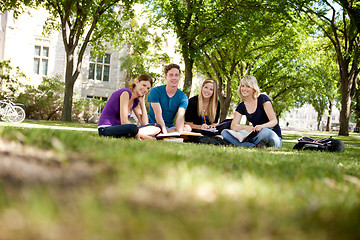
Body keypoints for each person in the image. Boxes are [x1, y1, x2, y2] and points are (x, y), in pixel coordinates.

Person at [221, 75, 282, 148]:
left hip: (272, 135)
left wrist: (262, 126)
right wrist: (245, 128)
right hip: (256, 136)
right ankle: (254, 145)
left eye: (248, 86)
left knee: (265, 132)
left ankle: (250, 144)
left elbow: (274, 121)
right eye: (242, 86)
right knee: (224, 132)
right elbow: (233, 126)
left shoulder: (263, 99)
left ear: (254, 89)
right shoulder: (242, 106)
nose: (244, 89)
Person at [98, 73, 161, 140]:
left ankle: (133, 134)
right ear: (137, 82)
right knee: (132, 128)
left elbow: (144, 123)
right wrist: (141, 133)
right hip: (106, 129)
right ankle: (143, 136)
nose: (145, 89)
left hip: (122, 130)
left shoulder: (135, 102)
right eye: (144, 85)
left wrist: (142, 103)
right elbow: (124, 122)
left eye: (148, 88)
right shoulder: (125, 93)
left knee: (157, 127)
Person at [147, 63, 191, 133]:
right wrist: (164, 132)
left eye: (176, 75)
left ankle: (168, 135)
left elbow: (180, 116)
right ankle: (163, 135)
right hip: (154, 125)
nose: (174, 78)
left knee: (187, 128)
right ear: (166, 77)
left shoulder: (183, 97)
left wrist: (179, 132)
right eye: (171, 75)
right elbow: (158, 114)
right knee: (157, 130)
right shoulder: (155, 91)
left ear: (179, 77)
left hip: (170, 127)